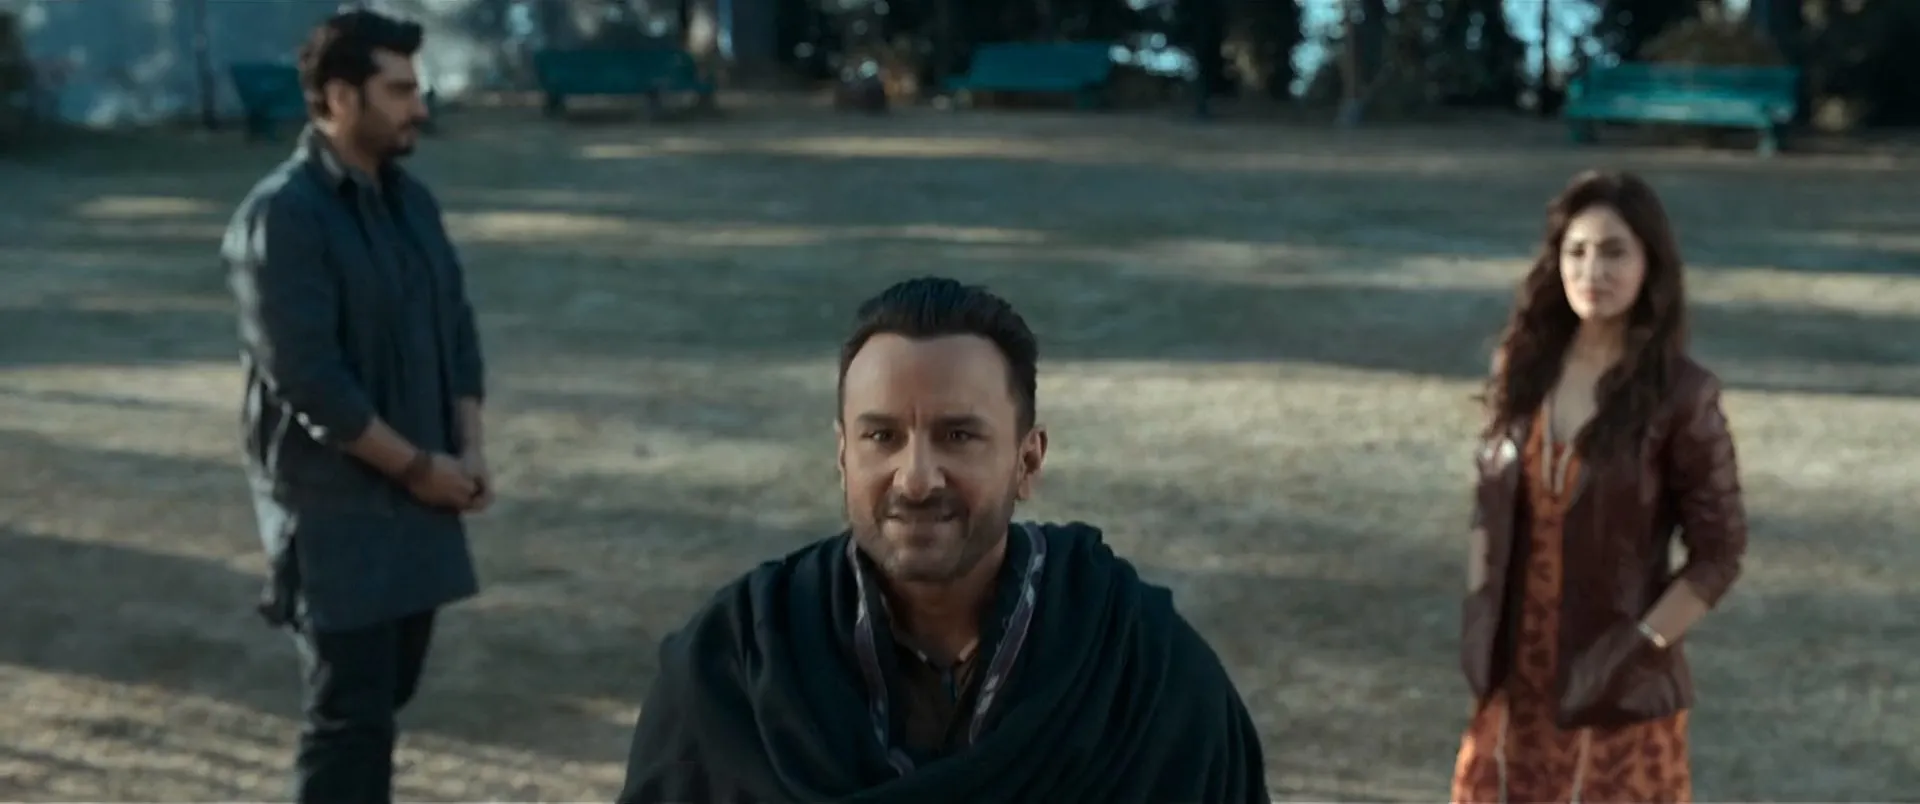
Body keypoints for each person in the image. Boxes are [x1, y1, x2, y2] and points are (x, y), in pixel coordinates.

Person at [618, 277, 1270, 804]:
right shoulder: (737, 671)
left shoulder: (1139, 677)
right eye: (882, 437)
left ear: (1028, 460)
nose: (917, 479)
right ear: (843, 456)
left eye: (958, 436)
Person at [221, 10, 491, 803]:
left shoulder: (412, 203)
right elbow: (310, 380)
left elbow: (457, 331)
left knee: (386, 696)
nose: (419, 107)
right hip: (333, 511)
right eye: (399, 90)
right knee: (349, 719)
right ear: (339, 97)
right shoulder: (282, 216)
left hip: (422, 497)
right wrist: (417, 468)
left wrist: (469, 449)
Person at [1453, 170, 1748, 803]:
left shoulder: (1681, 394)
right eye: (1577, 251)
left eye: (1614, 252)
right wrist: (1479, 622)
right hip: (1515, 678)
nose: (1593, 271)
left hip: (1614, 683)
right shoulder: (1522, 367)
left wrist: (1638, 650)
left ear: (1650, 264)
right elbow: (1487, 510)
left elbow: (1719, 553)